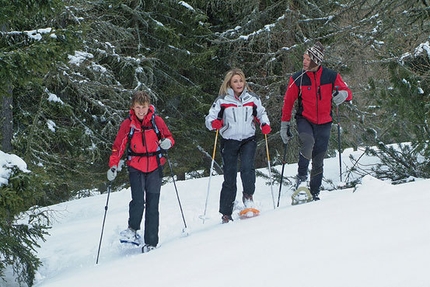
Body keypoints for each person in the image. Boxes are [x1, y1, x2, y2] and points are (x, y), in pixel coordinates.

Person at [280, 42, 352, 201]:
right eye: (304, 58)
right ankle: (301, 180)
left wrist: (344, 95)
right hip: (305, 119)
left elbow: (347, 91)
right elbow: (288, 102)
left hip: (325, 122)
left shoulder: (331, 76)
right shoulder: (297, 77)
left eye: (308, 59)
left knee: (319, 158)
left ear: (316, 61)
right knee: (308, 142)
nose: (304, 61)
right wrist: (284, 125)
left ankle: (314, 192)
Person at [107, 91, 174, 251]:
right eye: (138, 107)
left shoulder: (156, 121)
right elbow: (118, 146)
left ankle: (151, 242)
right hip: (135, 166)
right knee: (137, 201)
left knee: (153, 205)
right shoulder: (128, 124)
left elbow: (169, 137)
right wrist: (113, 165)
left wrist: (167, 143)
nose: (141, 111)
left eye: (143, 107)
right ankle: (132, 229)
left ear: (148, 106)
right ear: (133, 107)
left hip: (155, 166)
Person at [205, 68, 271, 223]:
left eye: (241, 80)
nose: (239, 84)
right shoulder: (222, 100)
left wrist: (264, 123)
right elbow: (210, 118)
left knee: (247, 167)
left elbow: (261, 113)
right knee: (230, 175)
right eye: (235, 81)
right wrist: (213, 123)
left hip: (248, 138)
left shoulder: (252, 98)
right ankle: (226, 211)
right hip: (229, 140)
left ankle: (248, 197)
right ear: (230, 83)